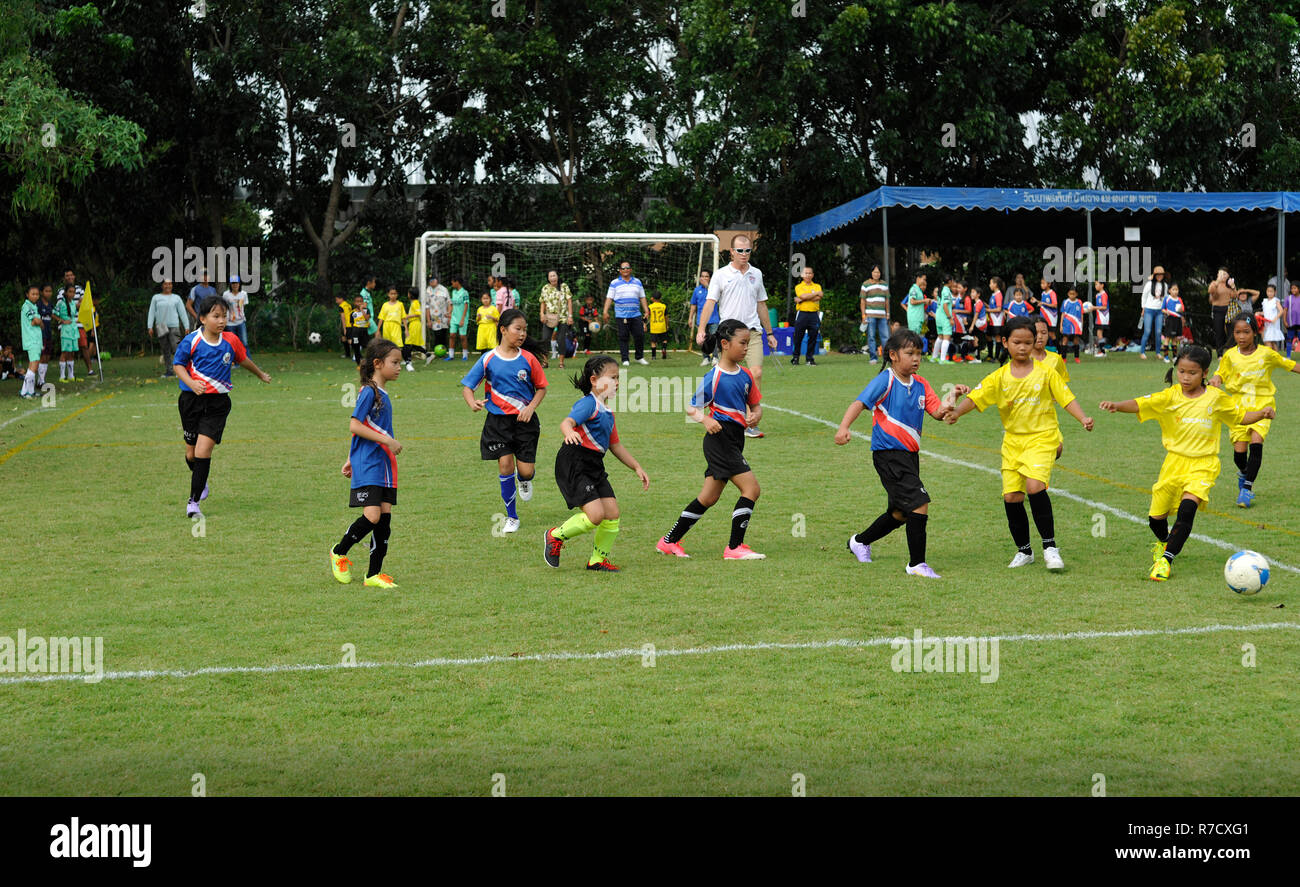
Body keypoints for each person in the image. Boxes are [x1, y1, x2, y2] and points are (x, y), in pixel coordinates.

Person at [1100, 344, 1272, 581]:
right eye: (1181, 371)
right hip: (1174, 463)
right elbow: (1141, 404)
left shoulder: (1216, 398)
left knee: (1187, 509)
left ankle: (1165, 560)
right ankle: (1164, 542)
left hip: (1204, 463)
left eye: (1192, 372)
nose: (1185, 377)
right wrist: (1117, 406)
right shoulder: (1169, 396)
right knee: (1155, 519)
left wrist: (1261, 413)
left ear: (1204, 373)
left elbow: (1240, 417)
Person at [944, 316, 1095, 570]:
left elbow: (1066, 397)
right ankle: (1025, 551)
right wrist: (957, 412)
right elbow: (977, 397)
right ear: (1005, 342)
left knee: (1035, 486)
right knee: (1012, 497)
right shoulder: (999, 377)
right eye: (1017, 342)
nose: (1024, 347)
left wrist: (1083, 418)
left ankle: (1050, 548)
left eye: (1028, 342)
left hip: (1042, 438)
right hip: (1013, 443)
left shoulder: (1047, 372)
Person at [834, 327, 959, 577]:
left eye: (919, 354)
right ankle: (917, 564)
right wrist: (844, 427)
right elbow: (859, 402)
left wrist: (952, 398)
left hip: (910, 456)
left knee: (900, 513)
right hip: (888, 454)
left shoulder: (922, 384)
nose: (916, 359)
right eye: (910, 353)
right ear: (893, 355)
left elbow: (936, 412)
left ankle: (859, 542)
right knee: (919, 503)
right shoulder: (886, 380)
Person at [657, 319, 765, 559]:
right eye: (742, 343)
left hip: (735, 440)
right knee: (751, 489)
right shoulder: (714, 377)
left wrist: (756, 416)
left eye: (748, 343)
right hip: (720, 440)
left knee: (708, 497)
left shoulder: (746, 375)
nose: (746, 348)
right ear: (724, 344)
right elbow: (691, 407)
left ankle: (668, 541)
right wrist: (705, 420)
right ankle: (735, 548)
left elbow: (756, 405)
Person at [545, 355, 649, 572]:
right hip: (574, 461)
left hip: (594, 465)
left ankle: (597, 560)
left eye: (618, 378)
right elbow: (567, 422)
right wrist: (569, 432)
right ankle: (555, 536)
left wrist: (637, 467)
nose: (617, 382)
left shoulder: (608, 413)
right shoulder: (588, 404)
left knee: (612, 513)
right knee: (595, 516)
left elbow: (616, 446)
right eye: (612, 378)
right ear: (594, 380)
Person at [172, 295, 271, 518]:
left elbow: (243, 359)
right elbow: (178, 365)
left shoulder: (230, 341)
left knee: (203, 450)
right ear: (203, 318)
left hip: (217, 404)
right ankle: (201, 479)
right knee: (191, 454)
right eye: (216, 316)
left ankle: (193, 502)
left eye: (224, 316)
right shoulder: (192, 341)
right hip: (190, 402)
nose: (221, 321)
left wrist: (260, 374)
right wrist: (191, 383)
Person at [460, 308, 548, 535]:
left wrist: (531, 407)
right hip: (497, 423)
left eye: (525, 330)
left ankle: (525, 479)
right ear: (503, 330)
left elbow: (541, 388)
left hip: (525, 422)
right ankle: (512, 516)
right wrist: (472, 403)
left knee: (525, 471)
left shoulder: (528, 359)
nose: (522, 334)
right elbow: (468, 387)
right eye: (518, 329)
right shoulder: (488, 358)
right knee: (504, 464)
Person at [330, 338, 403, 589]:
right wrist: (387, 441)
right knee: (371, 515)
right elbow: (355, 424)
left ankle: (373, 575)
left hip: (383, 464)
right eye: (394, 362)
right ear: (377, 363)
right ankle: (339, 552)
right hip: (370, 462)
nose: (399, 367)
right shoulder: (368, 391)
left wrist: (350, 457)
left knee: (384, 519)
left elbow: (364, 428)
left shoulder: (382, 393)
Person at [1210, 313, 1300, 507]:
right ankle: (1244, 473)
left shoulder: (1266, 354)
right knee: (1239, 454)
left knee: (1257, 441)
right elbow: (1220, 374)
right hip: (1238, 410)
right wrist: (1216, 380)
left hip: (1263, 406)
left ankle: (1247, 490)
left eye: (1246, 332)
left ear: (1255, 333)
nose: (1241, 337)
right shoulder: (1230, 356)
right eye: (1237, 332)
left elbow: (1290, 365)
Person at [603, 260, 649, 366]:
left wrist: (646, 310)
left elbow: (642, 297)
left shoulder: (637, 282)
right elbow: (609, 298)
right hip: (621, 315)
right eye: (623, 268)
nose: (625, 270)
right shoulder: (614, 283)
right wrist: (605, 311)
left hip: (636, 314)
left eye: (627, 268)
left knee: (640, 335)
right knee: (623, 336)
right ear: (620, 271)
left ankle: (639, 357)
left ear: (631, 270)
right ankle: (625, 359)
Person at [147, 279, 189, 378]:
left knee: (177, 349)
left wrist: (186, 326)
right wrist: (150, 326)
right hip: (161, 326)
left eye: (170, 284)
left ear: (172, 285)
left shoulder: (176, 298)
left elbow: (182, 312)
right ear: (162, 285)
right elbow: (151, 312)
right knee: (165, 349)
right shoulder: (156, 298)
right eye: (165, 284)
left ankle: (180, 371)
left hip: (174, 326)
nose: (168, 286)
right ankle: (169, 371)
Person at [539, 270, 574, 368]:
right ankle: (545, 362)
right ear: (548, 278)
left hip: (562, 317)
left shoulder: (564, 287)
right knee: (545, 339)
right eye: (551, 276)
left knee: (561, 339)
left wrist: (570, 316)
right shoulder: (545, 288)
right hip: (549, 317)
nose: (553, 278)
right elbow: (542, 302)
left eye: (554, 275)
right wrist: (542, 314)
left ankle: (561, 363)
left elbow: (569, 301)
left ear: (557, 276)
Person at [791, 265, 822, 366]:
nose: (808, 275)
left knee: (813, 336)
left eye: (810, 273)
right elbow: (803, 295)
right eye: (806, 273)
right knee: (798, 336)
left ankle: (809, 359)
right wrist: (812, 295)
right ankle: (795, 358)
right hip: (802, 314)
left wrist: (803, 299)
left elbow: (819, 297)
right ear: (802, 275)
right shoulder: (799, 286)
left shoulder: (817, 286)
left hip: (814, 314)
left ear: (812, 275)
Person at [860, 265, 891, 362]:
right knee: (871, 337)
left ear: (880, 273)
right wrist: (863, 315)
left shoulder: (884, 285)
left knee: (885, 336)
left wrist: (888, 313)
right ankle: (873, 358)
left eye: (878, 272)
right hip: (870, 315)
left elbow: (887, 300)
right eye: (874, 272)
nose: (876, 274)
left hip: (882, 315)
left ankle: (887, 358)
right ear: (871, 273)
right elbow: (862, 301)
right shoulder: (865, 284)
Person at [18, 286, 42, 399]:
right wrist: (38, 321)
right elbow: (35, 321)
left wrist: (38, 322)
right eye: (33, 294)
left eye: (37, 294)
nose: (35, 296)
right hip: (32, 339)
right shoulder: (26, 306)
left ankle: (30, 391)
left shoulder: (34, 306)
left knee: (33, 366)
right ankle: (24, 392)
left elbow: (39, 323)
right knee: (34, 365)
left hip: (36, 339)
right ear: (27, 294)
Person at [54, 284, 79, 381]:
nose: (72, 294)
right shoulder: (61, 303)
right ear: (65, 292)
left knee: (72, 352)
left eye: (74, 292)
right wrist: (61, 320)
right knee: (64, 352)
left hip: (73, 330)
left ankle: (71, 375)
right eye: (70, 292)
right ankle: (62, 376)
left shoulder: (73, 303)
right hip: (66, 330)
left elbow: (73, 315)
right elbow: (53, 313)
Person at [689, 270, 712, 363]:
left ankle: (715, 358)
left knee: (714, 338)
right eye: (702, 276)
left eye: (706, 276)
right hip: (701, 319)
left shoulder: (713, 289)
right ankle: (706, 358)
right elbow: (693, 305)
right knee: (702, 339)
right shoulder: (697, 290)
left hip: (713, 319)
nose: (704, 278)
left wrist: (708, 286)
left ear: (710, 278)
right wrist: (690, 318)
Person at [930, 277, 954, 363]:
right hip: (945, 317)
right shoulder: (946, 291)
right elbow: (945, 305)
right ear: (950, 281)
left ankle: (934, 357)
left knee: (940, 337)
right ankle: (942, 359)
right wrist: (950, 318)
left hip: (939, 316)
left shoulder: (941, 289)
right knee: (946, 337)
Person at [222, 276, 250, 350]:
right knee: (232, 343)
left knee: (244, 342)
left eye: (236, 283)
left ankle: (247, 360)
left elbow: (244, 306)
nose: (235, 285)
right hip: (230, 322)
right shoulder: (226, 294)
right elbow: (224, 307)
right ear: (230, 284)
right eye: (233, 283)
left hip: (241, 321)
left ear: (239, 284)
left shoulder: (244, 294)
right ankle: (234, 361)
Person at [447, 276, 471, 361]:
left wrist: (462, 319)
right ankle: (451, 355)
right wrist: (449, 314)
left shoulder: (464, 292)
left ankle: (465, 355)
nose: (452, 284)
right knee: (452, 335)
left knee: (462, 337)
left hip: (462, 318)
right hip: (454, 318)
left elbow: (466, 306)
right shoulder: (453, 292)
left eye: (453, 282)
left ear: (457, 282)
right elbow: (453, 304)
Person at [426, 278, 451, 358]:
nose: (432, 282)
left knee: (443, 335)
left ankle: (443, 353)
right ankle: (437, 353)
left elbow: (449, 303)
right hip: (434, 318)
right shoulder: (427, 291)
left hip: (444, 317)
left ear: (437, 280)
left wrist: (449, 315)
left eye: (434, 280)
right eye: (430, 280)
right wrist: (428, 320)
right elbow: (427, 307)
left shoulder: (444, 289)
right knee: (437, 335)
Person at [1059, 286, 1085, 363]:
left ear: (1076, 294)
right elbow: (1062, 314)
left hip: (1076, 325)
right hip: (1067, 324)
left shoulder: (1079, 302)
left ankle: (1077, 358)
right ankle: (1064, 358)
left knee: (1076, 341)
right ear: (1068, 294)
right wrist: (1061, 325)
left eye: (1073, 294)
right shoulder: (1065, 302)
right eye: (1070, 294)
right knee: (1065, 340)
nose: (1072, 295)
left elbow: (1082, 314)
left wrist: (1081, 325)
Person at [377, 285, 406, 353]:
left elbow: (403, 317)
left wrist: (406, 329)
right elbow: (381, 318)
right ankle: (388, 360)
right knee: (387, 345)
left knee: (398, 345)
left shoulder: (400, 304)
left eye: (395, 293)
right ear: (388, 294)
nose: (393, 295)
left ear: (397, 294)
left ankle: (397, 359)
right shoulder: (385, 305)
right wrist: (378, 330)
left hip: (396, 326)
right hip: (386, 326)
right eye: (391, 294)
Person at [1161, 284, 1185, 362]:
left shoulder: (1179, 299)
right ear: (1169, 290)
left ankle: (1175, 357)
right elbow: (1162, 309)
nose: (1175, 291)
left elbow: (1182, 309)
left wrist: (1180, 309)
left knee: (1175, 339)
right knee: (1167, 338)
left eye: (1176, 290)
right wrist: (1166, 312)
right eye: (1173, 289)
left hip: (1177, 320)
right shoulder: (1167, 298)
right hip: (1170, 320)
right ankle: (1166, 357)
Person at [36, 284, 54, 387]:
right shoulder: (38, 304)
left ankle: (42, 379)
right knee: (42, 356)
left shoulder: (50, 304)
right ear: (42, 292)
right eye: (46, 291)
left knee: (47, 356)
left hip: (48, 332)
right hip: (41, 334)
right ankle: (40, 381)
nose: (48, 293)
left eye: (50, 291)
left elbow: (53, 314)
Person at [402, 286, 424, 371]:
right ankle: (408, 361)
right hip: (412, 324)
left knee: (409, 344)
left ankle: (408, 362)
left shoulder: (415, 303)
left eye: (408, 293)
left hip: (415, 324)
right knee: (410, 344)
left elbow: (418, 314)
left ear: (410, 294)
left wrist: (407, 316)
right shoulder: (413, 303)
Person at [1259, 284, 1284, 351]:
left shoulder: (1276, 301)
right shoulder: (1265, 301)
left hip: (1273, 324)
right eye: (1268, 291)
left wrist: (1275, 319)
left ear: (1275, 292)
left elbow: (1281, 311)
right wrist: (1259, 313)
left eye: (1271, 291)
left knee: (1268, 341)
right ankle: (1276, 357)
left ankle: (1271, 356)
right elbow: (1265, 312)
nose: (1269, 293)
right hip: (1266, 323)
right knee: (1272, 342)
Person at [346, 296, 370, 365]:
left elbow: (367, 319)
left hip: (364, 331)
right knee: (356, 347)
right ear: (354, 303)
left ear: (363, 302)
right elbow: (351, 325)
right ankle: (358, 363)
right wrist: (350, 337)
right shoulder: (352, 313)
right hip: (356, 332)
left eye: (360, 301)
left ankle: (368, 361)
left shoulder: (366, 310)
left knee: (367, 347)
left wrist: (362, 310)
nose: (359, 303)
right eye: (357, 301)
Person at [647, 289, 669, 359]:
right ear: (660, 298)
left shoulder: (650, 307)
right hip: (662, 326)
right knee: (664, 340)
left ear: (652, 298)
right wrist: (667, 325)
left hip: (654, 327)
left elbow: (646, 316)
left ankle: (654, 356)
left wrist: (644, 324)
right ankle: (664, 349)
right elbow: (666, 317)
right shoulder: (664, 306)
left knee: (653, 342)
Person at [904, 272, 927, 338]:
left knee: (921, 338)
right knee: (915, 339)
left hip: (920, 318)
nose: (924, 281)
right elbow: (912, 301)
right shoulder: (913, 289)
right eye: (924, 279)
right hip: (915, 318)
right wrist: (924, 300)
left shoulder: (919, 290)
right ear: (918, 278)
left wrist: (925, 302)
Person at [1091, 280, 1110, 356]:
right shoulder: (1097, 295)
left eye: (1097, 284)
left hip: (1103, 316)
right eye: (1095, 284)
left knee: (1099, 334)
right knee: (1099, 334)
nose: (1095, 286)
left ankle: (1102, 352)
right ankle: (1102, 351)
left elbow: (1104, 307)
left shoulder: (1104, 295)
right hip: (1099, 317)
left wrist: (1093, 307)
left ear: (1102, 285)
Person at [359, 275, 379, 339]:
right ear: (368, 283)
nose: (375, 284)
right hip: (368, 317)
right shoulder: (365, 294)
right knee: (377, 333)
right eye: (374, 282)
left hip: (368, 317)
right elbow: (364, 306)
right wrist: (367, 319)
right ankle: (380, 348)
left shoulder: (365, 292)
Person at [1284, 282, 1300, 358]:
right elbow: (1285, 310)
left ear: (1299, 289)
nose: (1293, 290)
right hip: (1291, 322)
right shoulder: (1288, 298)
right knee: (1289, 339)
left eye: (1295, 288)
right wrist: (1284, 320)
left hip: (1299, 322)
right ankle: (1288, 356)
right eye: (1292, 288)